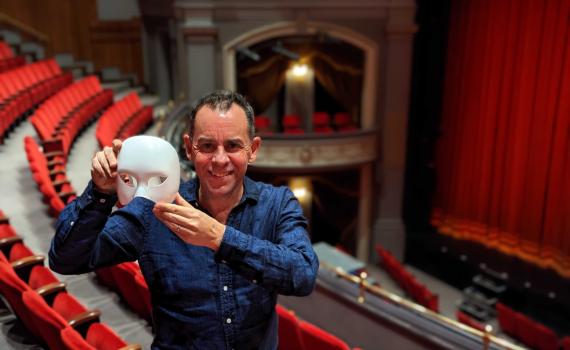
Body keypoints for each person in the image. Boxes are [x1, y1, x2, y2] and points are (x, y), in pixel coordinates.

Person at [49, 90, 319, 349]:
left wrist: (219, 237)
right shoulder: (154, 209)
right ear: (189, 149)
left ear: (253, 149)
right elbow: (66, 258)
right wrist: (100, 193)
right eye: (207, 146)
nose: (220, 159)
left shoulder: (277, 203)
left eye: (233, 145)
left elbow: (303, 273)